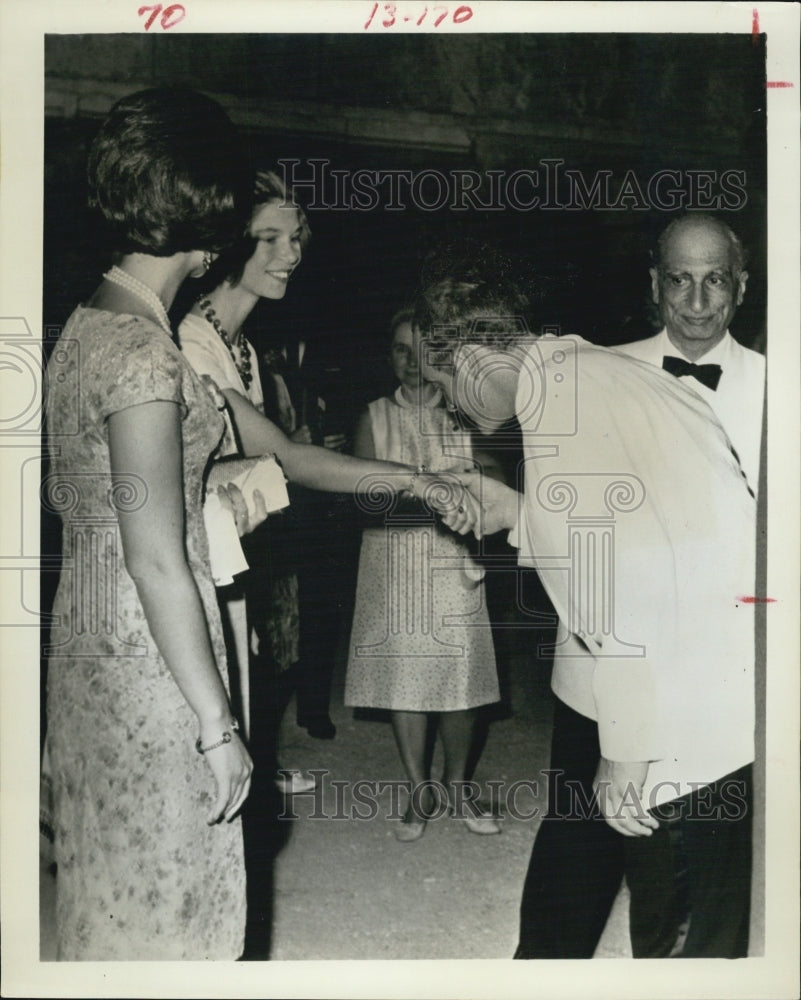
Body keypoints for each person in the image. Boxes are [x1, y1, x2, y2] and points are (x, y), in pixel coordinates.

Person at [414, 263, 756, 958]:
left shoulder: (562, 414)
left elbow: (631, 587)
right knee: (575, 839)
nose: (447, 405)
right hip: (639, 670)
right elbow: (624, 524)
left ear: (477, 355)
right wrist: (512, 509)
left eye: (445, 381)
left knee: (677, 924)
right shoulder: (580, 369)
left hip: (679, 696)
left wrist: (627, 753)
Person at [43, 87, 256, 960]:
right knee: (170, 891)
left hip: (84, 625)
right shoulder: (141, 354)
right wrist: (217, 724)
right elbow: (156, 559)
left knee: (110, 876)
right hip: (147, 650)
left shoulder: (90, 320)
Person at [178, 173, 478, 786]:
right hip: (184, 551)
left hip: (228, 545)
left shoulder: (240, 348)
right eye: (271, 239)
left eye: (296, 237)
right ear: (229, 245)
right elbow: (286, 458)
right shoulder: (192, 340)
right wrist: (419, 481)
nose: (292, 252)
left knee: (245, 665)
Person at [345, 309, 501, 840]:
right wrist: (433, 491)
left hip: (454, 558)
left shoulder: (466, 416)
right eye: (400, 350)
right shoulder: (372, 416)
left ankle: (458, 783)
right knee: (406, 678)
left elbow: (497, 482)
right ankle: (418, 787)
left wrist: (473, 483)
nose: (412, 363)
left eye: (424, 351)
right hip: (394, 564)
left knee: (460, 676)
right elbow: (363, 497)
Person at [616, 214, 765, 497]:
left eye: (715, 280)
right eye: (680, 280)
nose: (697, 304)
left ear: (740, 288)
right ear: (656, 285)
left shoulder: (776, 386)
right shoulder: (606, 375)